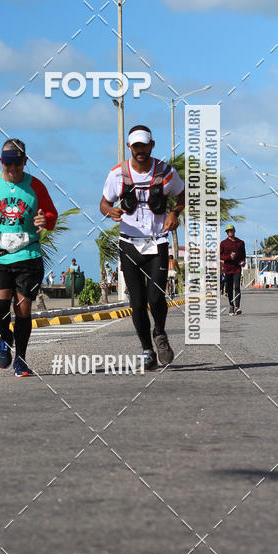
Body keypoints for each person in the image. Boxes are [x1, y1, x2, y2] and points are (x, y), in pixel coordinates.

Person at [100, 125, 185, 371]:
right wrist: (110, 211)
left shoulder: (166, 173)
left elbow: (182, 195)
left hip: (157, 242)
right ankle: (147, 349)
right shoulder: (118, 174)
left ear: (151, 145)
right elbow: (104, 203)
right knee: (137, 302)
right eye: (135, 146)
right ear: (130, 147)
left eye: (144, 146)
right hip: (129, 243)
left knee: (156, 296)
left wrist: (174, 213)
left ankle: (159, 332)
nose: (140, 151)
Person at [0, 138, 58, 377]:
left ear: (25, 162)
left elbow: (51, 214)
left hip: (28, 255)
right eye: (7, 166)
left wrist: (45, 220)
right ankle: (5, 337)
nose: (12, 170)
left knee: (22, 310)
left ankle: (20, 359)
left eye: (17, 166)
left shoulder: (36, 186)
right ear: (1, 162)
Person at [220, 224, 246, 315]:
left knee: (237, 287)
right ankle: (231, 306)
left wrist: (243, 261)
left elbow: (243, 254)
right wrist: (229, 257)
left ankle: (237, 307)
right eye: (228, 231)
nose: (229, 232)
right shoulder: (223, 243)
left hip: (237, 268)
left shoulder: (240, 242)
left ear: (234, 230)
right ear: (226, 233)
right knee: (229, 288)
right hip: (227, 268)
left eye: (231, 230)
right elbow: (220, 256)